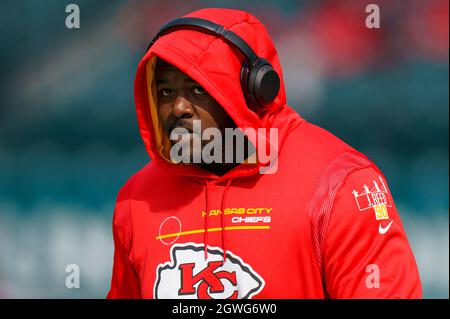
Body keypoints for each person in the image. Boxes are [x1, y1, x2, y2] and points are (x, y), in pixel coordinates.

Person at [107, 8, 422, 299]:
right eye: (165, 91)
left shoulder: (339, 183)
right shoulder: (137, 200)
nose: (177, 107)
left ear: (253, 90)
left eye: (198, 89)